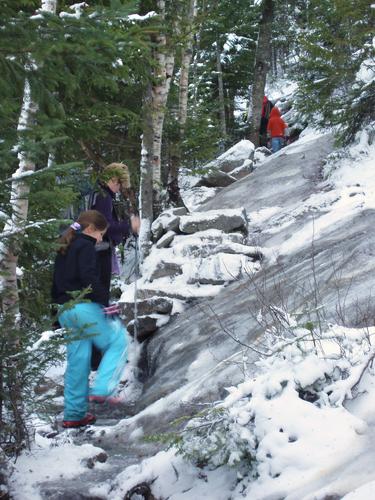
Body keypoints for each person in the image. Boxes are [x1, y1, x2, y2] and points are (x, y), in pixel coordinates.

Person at [52, 210, 128, 428]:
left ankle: (74, 415)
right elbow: (89, 277)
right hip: (83, 307)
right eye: (101, 235)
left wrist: (55, 316)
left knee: (78, 362)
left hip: (65, 309)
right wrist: (104, 302)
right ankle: (103, 389)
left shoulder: (65, 246)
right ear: (90, 229)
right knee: (118, 342)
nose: (101, 239)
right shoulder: (85, 245)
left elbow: (56, 283)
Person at [89, 163, 140, 370]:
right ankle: (97, 359)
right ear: (113, 180)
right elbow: (105, 225)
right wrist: (130, 225)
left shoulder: (97, 193)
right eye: (120, 183)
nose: (120, 188)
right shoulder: (102, 196)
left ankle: (95, 357)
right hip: (96, 255)